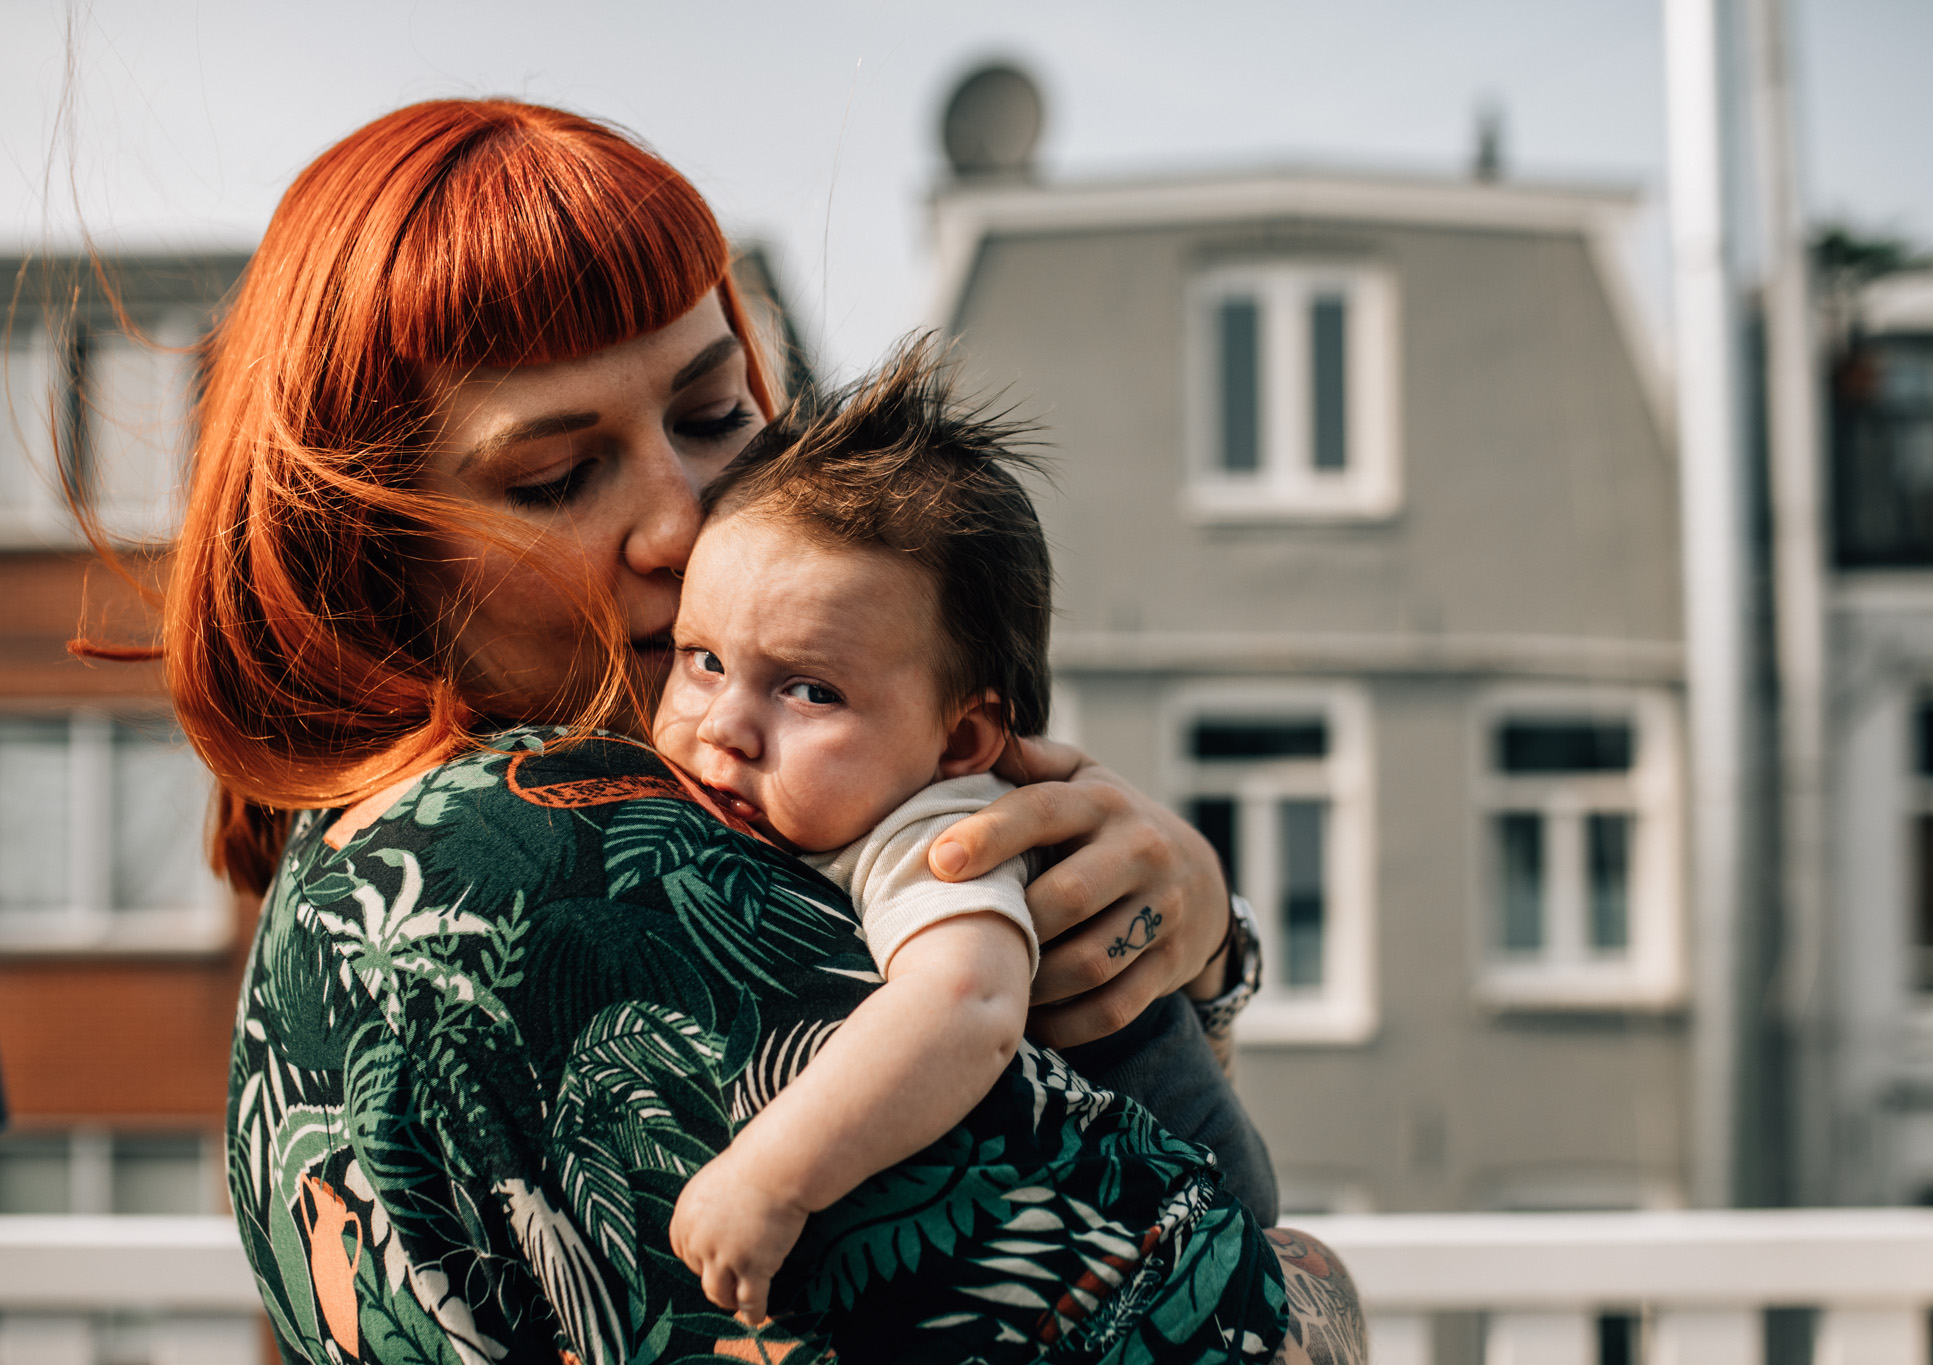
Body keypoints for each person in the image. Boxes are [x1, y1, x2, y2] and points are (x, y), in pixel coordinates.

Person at [136, 97, 1366, 1362]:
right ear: (368, 557)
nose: (686, 522)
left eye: (715, 415)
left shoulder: (349, 877)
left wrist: (1179, 960)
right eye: (556, 478)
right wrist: (1308, 1269)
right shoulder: (563, 870)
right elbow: (1240, 1325)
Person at [656, 340, 1279, 1323]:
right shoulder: (829, 791)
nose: (723, 726)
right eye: (698, 659)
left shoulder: (936, 833)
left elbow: (964, 1008)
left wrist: (772, 1176)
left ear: (962, 738)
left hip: (1179, 1237)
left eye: (809, 690)